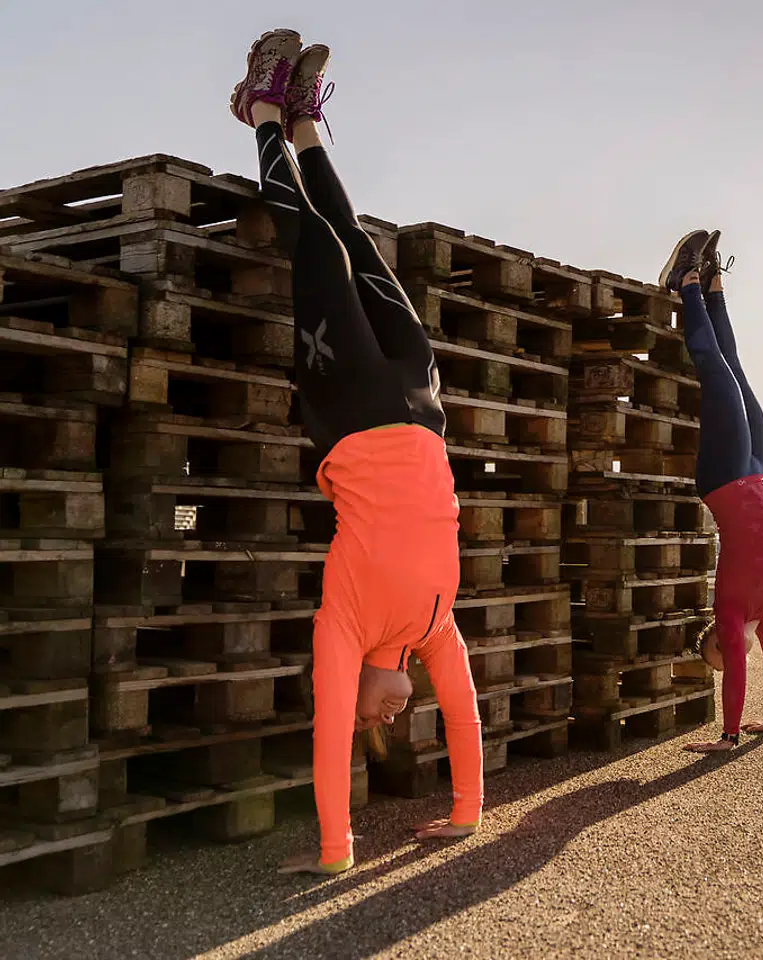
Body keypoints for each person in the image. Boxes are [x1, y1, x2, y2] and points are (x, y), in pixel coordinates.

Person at [229, 29, 483, 875]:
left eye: (374, 723)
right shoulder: (435, 627)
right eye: (392, 724)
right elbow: (465, 715)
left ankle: (262, 111)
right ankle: (305, 123)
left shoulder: (343, 624)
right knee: (358, 241)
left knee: (317, 246)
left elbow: (327, 731)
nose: (384, 720)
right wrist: (466, 814)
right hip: (419, 402)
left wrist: (337, 853)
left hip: (346, 407)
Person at [658, 231, 763, 753]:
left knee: (716, 373)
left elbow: (738, 667)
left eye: (718, 652)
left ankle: (684, 281)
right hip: (759, 473)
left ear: (716, 635)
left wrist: (729, 736)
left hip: (724, 478)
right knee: (736, 368)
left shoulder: (731, 612)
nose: (731, 655)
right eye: (724, 657)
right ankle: (713, 286)